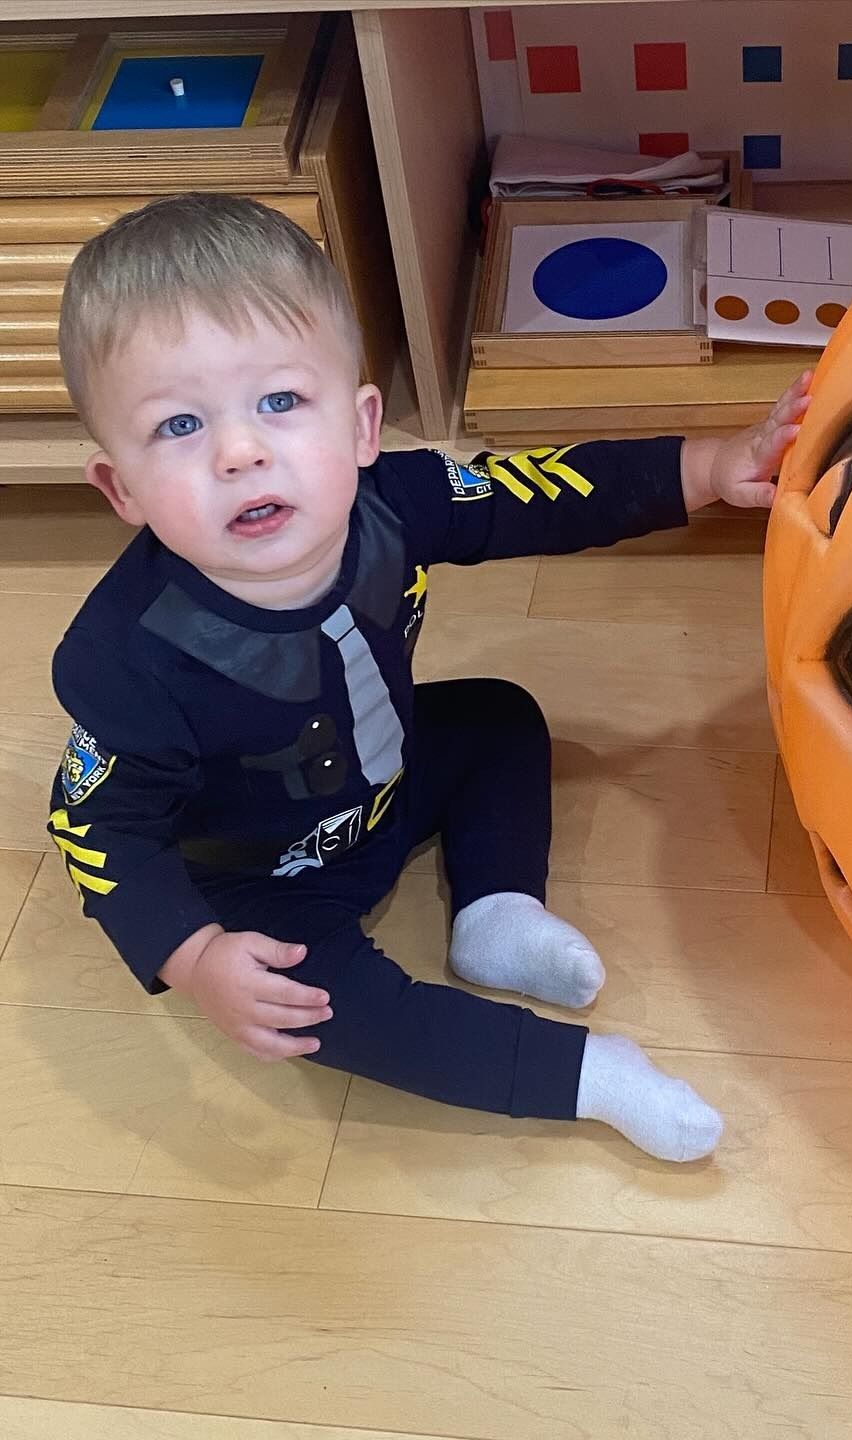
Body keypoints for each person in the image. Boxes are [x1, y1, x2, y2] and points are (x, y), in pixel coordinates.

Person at [47, 192, 809, 1163]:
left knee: (498, 715)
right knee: (329, 1016)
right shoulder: (127, 656)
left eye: (280, 402)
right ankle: (582, 1076)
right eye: (180, 426)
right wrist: (195, 956)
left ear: (363, 426)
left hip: (390, 782)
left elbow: (528, 494)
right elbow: (94, 826)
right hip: (262, 883)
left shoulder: (390, 503)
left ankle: (496, 911)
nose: (241, 451)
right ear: (120, 487)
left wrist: (706, 466)